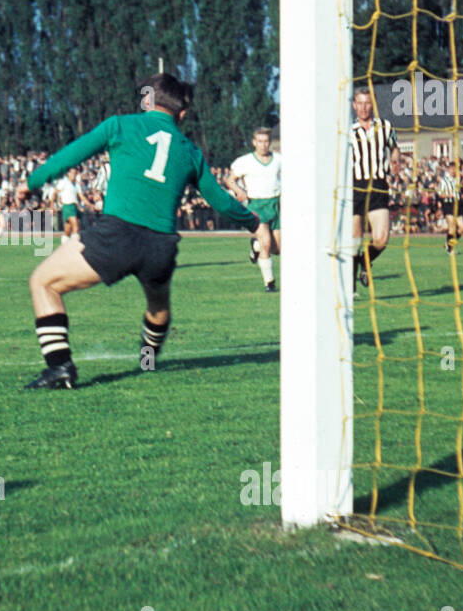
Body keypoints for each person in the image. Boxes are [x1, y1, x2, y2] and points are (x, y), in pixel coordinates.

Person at [16, 73, 259, 389]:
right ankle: (148, 360)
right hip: (161, 246)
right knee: (158, 306)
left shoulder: (120, 125)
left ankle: (59, 368)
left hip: (117, 236)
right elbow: (220, 200)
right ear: (182, 113)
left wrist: (30, 183)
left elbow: (69, 156)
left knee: (43, 282)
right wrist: (254, 223)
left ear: (148, 101)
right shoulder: (191, 151)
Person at [350, 87, 401, 290]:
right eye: (360, 103)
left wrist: (395, 159)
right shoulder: (348, 132)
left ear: (373, 105)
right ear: (354, 106)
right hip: (355, 187)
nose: (364, 108)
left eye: (367, 103)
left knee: (381, 238)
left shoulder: (385, 127)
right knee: (354, 241)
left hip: (378, 185)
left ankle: (365, 261)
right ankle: (351, 290)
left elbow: (394, 147)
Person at [228, 127, 282, 292]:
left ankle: (256, 247)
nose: (263, 145)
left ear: (270, 142)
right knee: (266, 242)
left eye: (266, 141)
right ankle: (269, 283)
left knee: (278, 248)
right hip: (256, 205)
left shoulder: (279, 160)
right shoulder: (245, 161)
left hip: (275, 204)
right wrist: (240, 192)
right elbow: (230, 180)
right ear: (254, 142)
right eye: (259, 141)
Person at [55, 168, 84, 242]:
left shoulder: (76, 184)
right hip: (67, 206)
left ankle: (63, 247)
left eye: (75, 173)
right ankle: (74, 248)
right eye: (72, 173)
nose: (74, 175)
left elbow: (81, 196)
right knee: (76, 228)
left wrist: (90, 205)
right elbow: (55, 192)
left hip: (74, 206)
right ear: (68, 173)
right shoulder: (64, 181)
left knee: (68, 231)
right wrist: (55, 202)